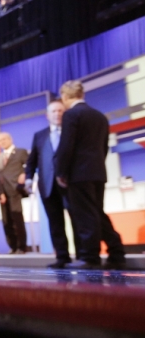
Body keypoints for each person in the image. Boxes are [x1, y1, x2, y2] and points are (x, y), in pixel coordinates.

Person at [54, 80, 126, 269]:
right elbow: (104, 147)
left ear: (65, 96)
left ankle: (90, 257)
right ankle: (116, 252)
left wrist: (61, 171)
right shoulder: (100, 116)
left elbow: (66, 146)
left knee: (86, 216)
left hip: (79, 175)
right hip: (97, 172)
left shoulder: (71, 115)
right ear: (82, 95)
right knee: (97, 213)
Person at [24, 100, 79, 268]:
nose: (57, 114)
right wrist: (28, 178)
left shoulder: (73, 132)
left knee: (77, 220)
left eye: (60, 111)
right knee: (55, 223)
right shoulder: (39, 136)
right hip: (48, 186)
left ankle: (83, 255)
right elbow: (32, 160)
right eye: (54, 111)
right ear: (47, 115)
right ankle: (62, 257)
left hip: (71, 184)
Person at [0, 132, 29, 254]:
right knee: (6, 220)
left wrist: (24, 174)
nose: (2, 142)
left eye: (4, 139)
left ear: (10, 139)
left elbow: (29, 165)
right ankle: (13, 246)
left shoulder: (20, 152)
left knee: (17, 218)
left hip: (15, 190)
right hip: (3, 192)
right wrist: (0, 192)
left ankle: (21, 246)